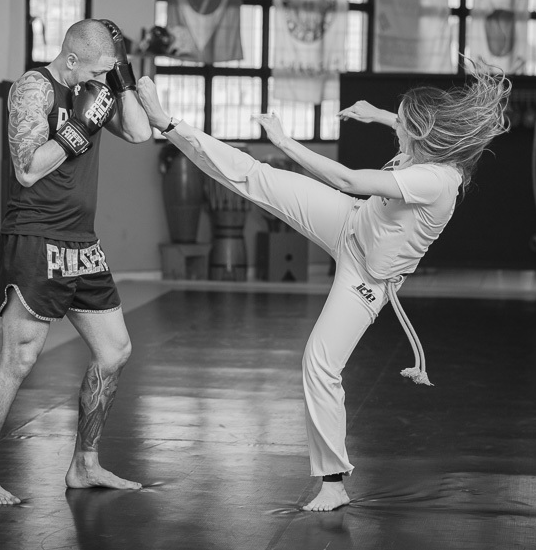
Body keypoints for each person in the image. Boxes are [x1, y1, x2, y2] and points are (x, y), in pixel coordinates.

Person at [136, 63, 510, 512]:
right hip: (351, 221)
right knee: (256, 177)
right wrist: (378, 114)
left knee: (320, 363)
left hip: (368, 279)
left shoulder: (434, 179)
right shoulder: (431, 149)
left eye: (403, 124)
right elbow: (401, 137)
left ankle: (333, 483)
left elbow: (348, 180)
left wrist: (285, 142)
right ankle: (169, 124)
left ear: (423, 133)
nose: (400, 132)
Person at [0, 19, 153, 505]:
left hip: (81, 242)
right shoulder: (33, 87)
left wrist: (121, 76)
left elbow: (140, 132)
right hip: (34, 237)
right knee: (19, 358)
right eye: (98, 68)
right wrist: (78, 128)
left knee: (115, 350)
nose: (102, 79)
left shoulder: (94, 87)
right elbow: (26, 169)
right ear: (71, 60)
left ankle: (85, 465)